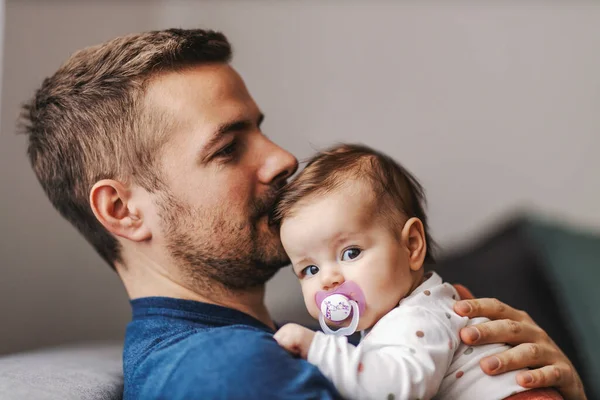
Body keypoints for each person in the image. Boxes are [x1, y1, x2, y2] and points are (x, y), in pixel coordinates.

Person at [18, 28, 585, 399]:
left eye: (259, 128)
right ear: (122, 211)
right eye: (227, 148)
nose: (283, 159)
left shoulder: (305, 336)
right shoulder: (225, 373)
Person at [272, 143, 563, 399]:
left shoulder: (417, 316)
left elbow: (399, 389)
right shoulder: (398, 317)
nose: (328, 279)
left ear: (411, 246)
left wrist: (318, 350)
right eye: (309, 269)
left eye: (350, 253)